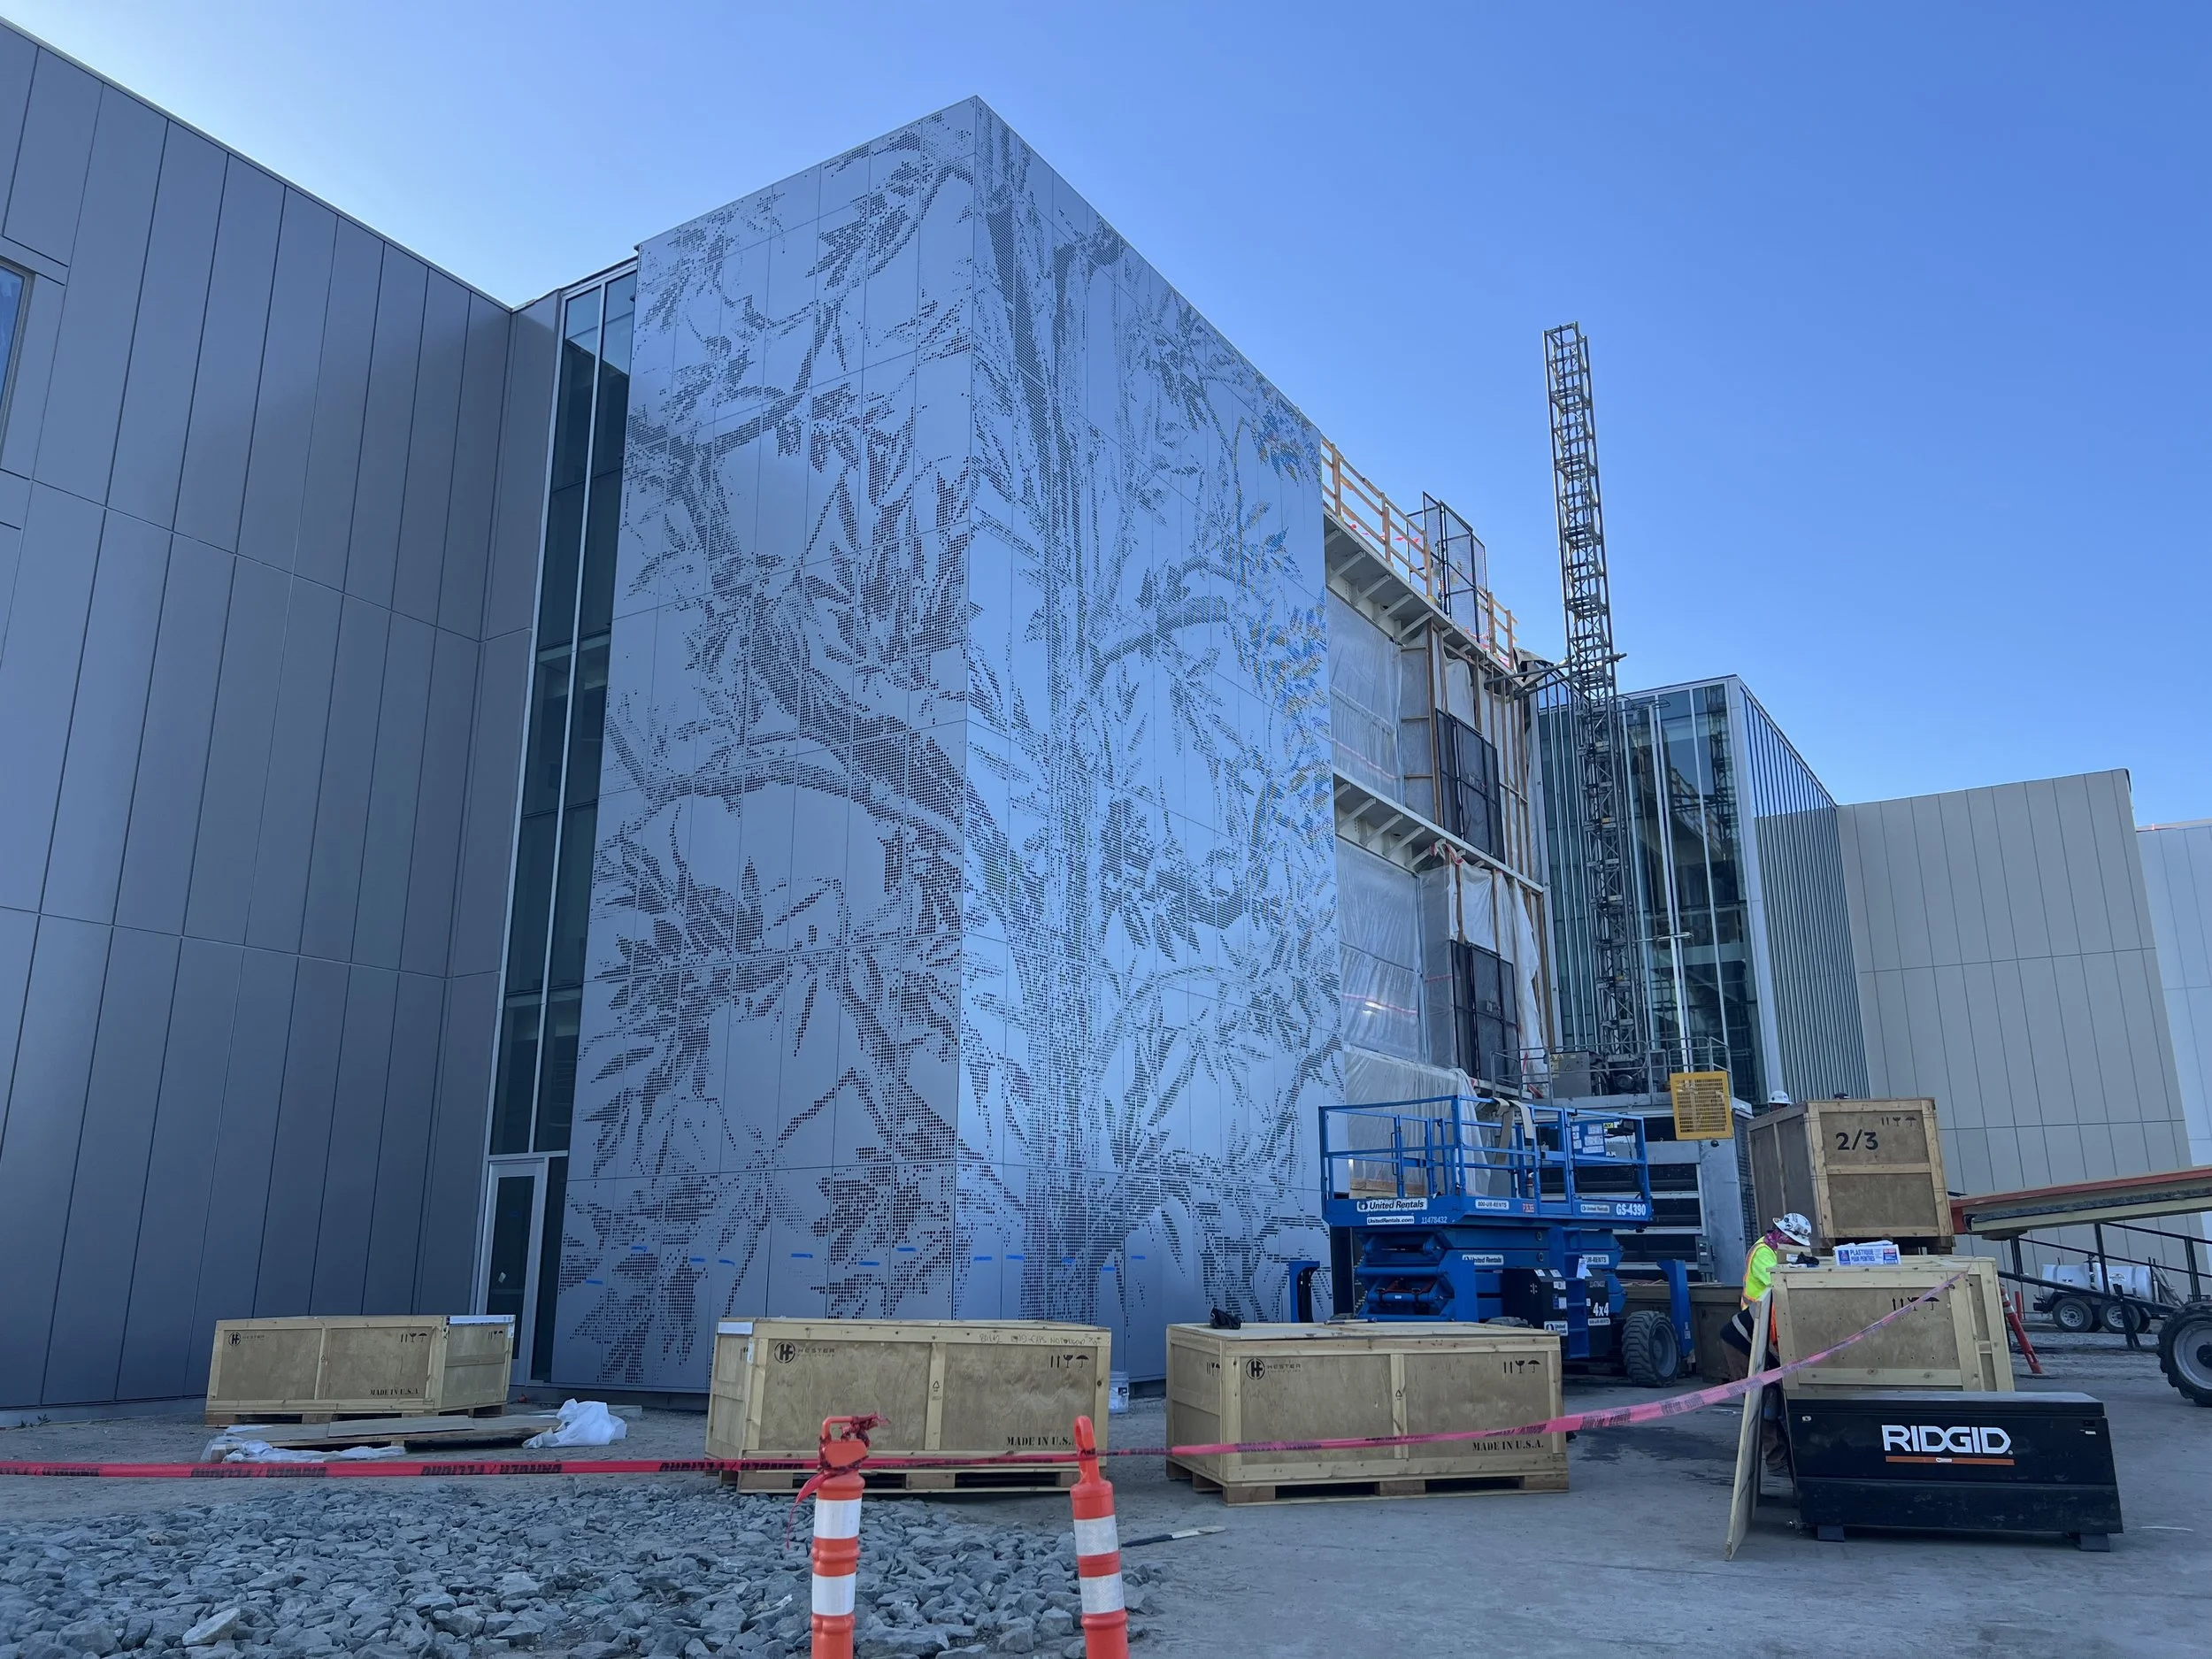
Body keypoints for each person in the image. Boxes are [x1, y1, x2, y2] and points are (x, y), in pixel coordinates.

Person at [1721, 1213, 1817, 1471]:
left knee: (1774, 1395)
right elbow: (1778, 1283)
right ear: (1783, 1236)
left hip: (1764, 1330)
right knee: (1760, 1400)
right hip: (1746, 1334)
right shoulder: (1764, 1252)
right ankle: (1776, 1460)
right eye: (1794, 1243)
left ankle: (1782, 1457)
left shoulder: (1780, 1251)